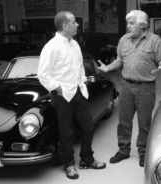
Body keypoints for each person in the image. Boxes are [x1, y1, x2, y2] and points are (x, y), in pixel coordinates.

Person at [37, 11, 106, 180]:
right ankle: (69, 164)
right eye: (74, 22)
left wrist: (82, 80)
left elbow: (79, 65)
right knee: (66, 132)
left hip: (78, 92)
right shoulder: (51, 47)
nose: (77, 25)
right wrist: (57, 88)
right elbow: (43, 74)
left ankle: (87, 159)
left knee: (88, 127)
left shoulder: (74, 44)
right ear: (65, 25)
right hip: (62, 96)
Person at [98, 10, 161, 167]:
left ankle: (143, 152)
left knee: (144, 123)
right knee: (124, 121)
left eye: (131, 23)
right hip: (126, 86)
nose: (128, 26)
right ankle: (123, 150)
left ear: (142, 25)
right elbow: (119, 60)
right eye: (127, 23)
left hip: (146, 87)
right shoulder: (124, 40)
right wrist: (108, 68)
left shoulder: (155, 40)